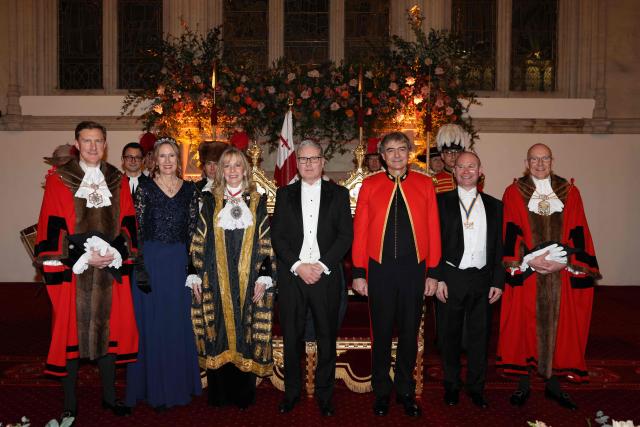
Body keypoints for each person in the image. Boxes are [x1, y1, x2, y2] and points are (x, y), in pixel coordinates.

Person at [34, 121, 138, 423]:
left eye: (98, 141)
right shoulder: (60, 179)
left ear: (105, 144)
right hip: (74, 272)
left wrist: (116, 251)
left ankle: (109, 397)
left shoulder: (117, 179)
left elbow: (128, 221)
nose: (93, 146)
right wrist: (82, 256)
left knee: (109, 333)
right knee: (70, 336)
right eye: (86, 141)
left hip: (109, 268)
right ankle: (70, 402)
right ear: (76, 143)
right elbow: (51, 225)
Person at [497, 143, 601, 410]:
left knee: (560, 326)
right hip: (528, 273)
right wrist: (531, 261)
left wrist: (562, 262)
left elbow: (579, 229)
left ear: (552, 161)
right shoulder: (514, 192)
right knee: (523, 326)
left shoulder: (569, 191)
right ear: (526, 161)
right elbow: (511, 230)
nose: (540, 164)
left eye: (544, 159)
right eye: (534, 159)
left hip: (560, 274)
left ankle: (554, 386)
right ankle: (523, 385)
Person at [352, 131, 441, 418]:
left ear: (410, 152)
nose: (397, 155)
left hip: (415, 269)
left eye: (402, 149)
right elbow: (361, 232)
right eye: (390, 150)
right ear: (382, 156)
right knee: (380, 333)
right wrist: (359, 272)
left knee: (409, 333)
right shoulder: (370, 184)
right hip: (379, 269)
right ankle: (381, 391)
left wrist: (433, 273)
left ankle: (404, 390)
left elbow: (434, 229)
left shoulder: (426, 184)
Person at [271, 140, 353, 417]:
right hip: (293, 277)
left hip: (325, 276)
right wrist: (297, 266)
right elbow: (278, 237)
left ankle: (325, 395)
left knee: (326, 337)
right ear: (297, 163)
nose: (308, 163)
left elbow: (345, 237)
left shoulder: (339, 195)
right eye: (303, 159)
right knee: (291, 336)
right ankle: (292, 393)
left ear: (322, 161)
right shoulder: (284, 194)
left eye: (313, 158)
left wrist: (320, 265)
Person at [190, 146, 276, 409]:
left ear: (245, 170)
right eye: (226, 166)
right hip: (215, 280)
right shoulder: (209, 201)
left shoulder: (257, 201)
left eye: (237, 165)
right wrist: (194, 273)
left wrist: (264, 276)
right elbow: (198, 239)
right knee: (218, 332)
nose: (232, 171)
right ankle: (218, 394)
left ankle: (243, 394)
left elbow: (265, 240)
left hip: (248, 279)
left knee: (245, 330)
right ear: (220, 171)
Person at [125, 137, 202, 410]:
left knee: (177, 324)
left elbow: (193, 234)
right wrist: (140, 266)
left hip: (178, 262)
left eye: (172, 156)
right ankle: (152, 387)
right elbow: (136, 230)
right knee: (152, 325)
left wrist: (193, 268)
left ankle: (178, 385)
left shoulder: (190, 190)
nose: (168, 161)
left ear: (177, 160)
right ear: (154, 160)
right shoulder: (144, 189)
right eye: (163, 156)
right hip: (151, 263)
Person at [428, 152, 504, 409]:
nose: (466, 171)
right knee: (449, 337)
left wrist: (498, 280)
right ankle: (451, 386)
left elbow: (499, 247)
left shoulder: (495, 205)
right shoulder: (440, 203)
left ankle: (476, 387)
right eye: (461, 167)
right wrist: (436, 278)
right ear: (454, 171)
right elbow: (432, 243)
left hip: (483, 279)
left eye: (471, 166)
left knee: (479, 336)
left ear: (480, 170)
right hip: (451, 277)